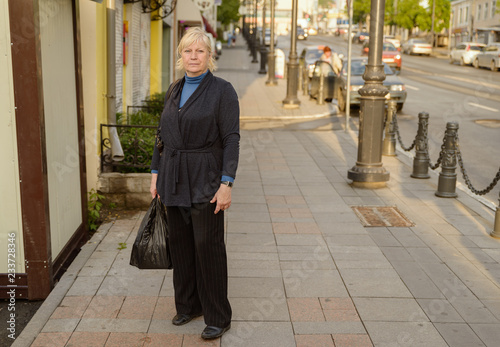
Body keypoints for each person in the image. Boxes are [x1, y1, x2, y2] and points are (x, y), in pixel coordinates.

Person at [150, 27, 239, 340]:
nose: (193, 56)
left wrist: (226, 183)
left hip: (206, 178)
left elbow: (231, 138)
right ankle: (188, 305)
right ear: (181, 55)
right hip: (173, 177)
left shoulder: (222, 91)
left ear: (209, 55)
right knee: (182, 246)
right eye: (188, 51)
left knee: (208, 247)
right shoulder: (174, 89)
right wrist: (155, 174)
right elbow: (162, 136)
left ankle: (218, 315)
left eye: (199, 51)